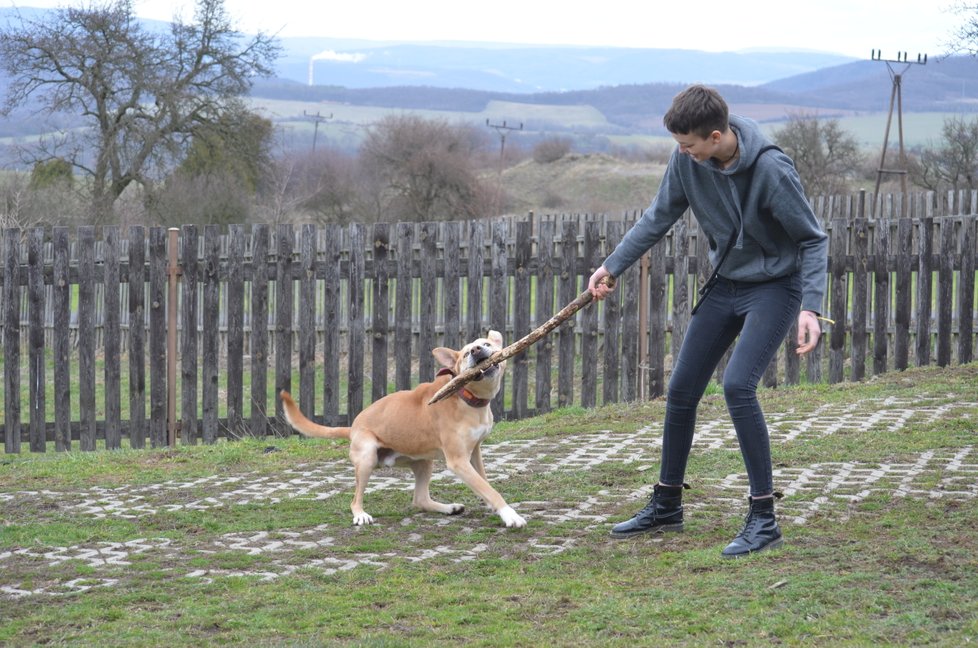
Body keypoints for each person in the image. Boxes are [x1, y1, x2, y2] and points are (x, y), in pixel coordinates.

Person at [587, 84, 828, 558]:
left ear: (715, 137)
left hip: (776, 287)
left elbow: (813, 239)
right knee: (681, 391)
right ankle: (667, 505)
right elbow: (658, 216)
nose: (682, 153)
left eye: (689, 145)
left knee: (739, 385)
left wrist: (810, 307)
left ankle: (763, 518)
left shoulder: (771, 170)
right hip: (725, 283)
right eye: (679, 145)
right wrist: (612, 264)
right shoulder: (687, 162)